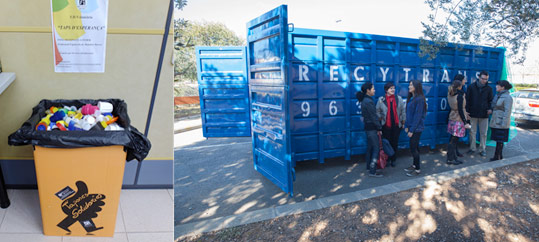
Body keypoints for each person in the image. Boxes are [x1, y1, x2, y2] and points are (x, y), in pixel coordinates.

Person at [356, 82, 383, 177]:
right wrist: (379, 127)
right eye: (373, 89)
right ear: (368, 90)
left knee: (370, 148)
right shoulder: (368, 101)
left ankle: (369, 167)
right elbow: (374, 116)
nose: (374, 90)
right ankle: (372, 171)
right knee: (376, 149)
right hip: (372, 128)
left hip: (368, 127)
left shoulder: (365, 100)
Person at [376, 82, 405, 167]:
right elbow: (377, 111)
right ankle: (387, 159)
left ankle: (393, 159)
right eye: (390, 88)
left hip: (396, 125)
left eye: (393, 88)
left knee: (394, 143)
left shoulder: (398, 98)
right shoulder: (381, 100)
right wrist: (381, 118)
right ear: (386, 90)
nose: (393, 90)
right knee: (386, 143)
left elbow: (403, 111)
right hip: (386, 126)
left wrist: (403, 121)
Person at [466, 70, 493, 157]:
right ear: (479, 77)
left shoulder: (489, 89)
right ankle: (472, 148)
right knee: (472, 132)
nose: (484, 81)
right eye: (483, 79)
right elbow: (467, 100)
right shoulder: (471, 87)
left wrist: (490, 109)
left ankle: (482, 149)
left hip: (484, 114)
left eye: (486, 79)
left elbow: (490, 101)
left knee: (483, 133)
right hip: (473, 113)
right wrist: (467, 112)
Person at [403, 80, 427, 177]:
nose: (409, 87)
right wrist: (406, 126)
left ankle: (417, 169)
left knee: (414, 148)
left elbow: (417, 116)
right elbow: (409, 115)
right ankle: (414, 165)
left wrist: (412, 130)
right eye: (409, 85)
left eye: (411, 85)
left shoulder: (420, 99)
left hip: (416, 128)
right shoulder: (412, 98)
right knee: (414, 147)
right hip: (411, 127)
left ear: (416, 87)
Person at [446, 75, 471, 165]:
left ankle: (452, 157)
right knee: (454, 140)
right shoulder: (460, 96)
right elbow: (460, 109)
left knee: (452, 140)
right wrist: (465, 122)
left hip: (452, 117)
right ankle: (451, 159)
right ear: (460, 86)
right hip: (458, 119)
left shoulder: (450, 94)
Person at [489, 80, 513, 161]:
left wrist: (504, 123)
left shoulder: (507, 97)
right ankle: (498, 156)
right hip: (496, 121)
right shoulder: (498, 95)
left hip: (501, 122)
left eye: (498, 85)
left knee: (500, 141)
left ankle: (497, 157)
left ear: (503, 87)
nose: (496, 87)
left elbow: (507, 111)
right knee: (497, 140)